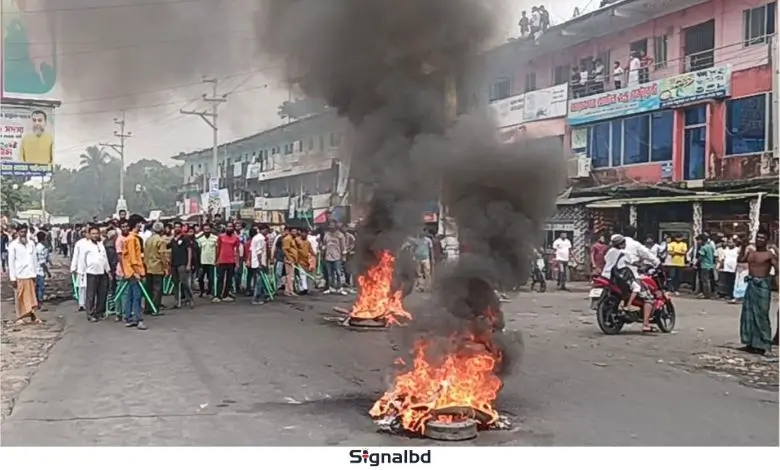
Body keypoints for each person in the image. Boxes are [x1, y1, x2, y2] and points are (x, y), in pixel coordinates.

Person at [738, 231, 778, 355]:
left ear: (766, 240)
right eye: (758, 237)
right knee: (748, 314)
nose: (759, 240)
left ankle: (762, 344)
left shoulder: (769, 255)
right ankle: (750, 343)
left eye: (762, 238)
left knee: (761, 315)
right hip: (751, 285)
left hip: (763, 286)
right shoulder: (751, 253)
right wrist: (743, 246)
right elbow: (741, 260)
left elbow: (778, 269)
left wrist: (776, 284)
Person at [622, 226, 661, 332]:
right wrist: (657, 263)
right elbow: (648, 255)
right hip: (630, 275)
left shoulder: (615, 244)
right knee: (648, 298)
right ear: (634, 234)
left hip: (614, 275)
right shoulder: (635, 244)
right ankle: (645, 324)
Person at [8, 225, 43, 325]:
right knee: (20, 297)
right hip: (19, 275)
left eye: (25, 232)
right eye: (21, 232)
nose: (23, 234)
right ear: (18, 232)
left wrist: (35, 273)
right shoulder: (13, 245)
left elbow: (34, 260)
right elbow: (11, 262)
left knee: (31, 298)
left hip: (30, 274)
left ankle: (33, 316)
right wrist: (12, 278)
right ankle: (19, 317)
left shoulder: (31, 244)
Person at [79, 226, 110, 323]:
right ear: (89, 234)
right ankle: (90, 314)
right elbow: (82, 260)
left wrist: (108, 270)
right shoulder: (86, 246)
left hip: (102, 271)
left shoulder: (101, 245)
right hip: (91, 272)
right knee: (91, 294)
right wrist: (81, 273)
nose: (95, 235)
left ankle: (99, 312)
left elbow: (105, 259)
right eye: (93, 233)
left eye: (96, 233)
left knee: (102, 293)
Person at [121, 215, 147, 330]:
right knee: (137, 296)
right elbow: (133, 258)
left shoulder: (131, 238)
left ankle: (129, 318)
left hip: (130, 271)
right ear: (137, 224)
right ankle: (138, 319)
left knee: (131, 295)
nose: (142, 226)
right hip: (133, 271)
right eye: (140, 223)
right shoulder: (132, 239)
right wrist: (137, 272)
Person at [144, 222, 169, 314]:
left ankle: (147, 307)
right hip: (157, 267)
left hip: (148, 266)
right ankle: (155, 309)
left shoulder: (148, 240)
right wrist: (166, 267)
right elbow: (162, 255)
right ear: (162, 230)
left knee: (149, 288)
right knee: (157, 289)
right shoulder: (161, 240)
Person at [168, 224, 194, 309]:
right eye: (175, 227)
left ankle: (190, 298)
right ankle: (177, 301)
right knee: (175, 283)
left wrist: (189, 264)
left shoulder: (185, 238)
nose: (177, 228)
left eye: (179, 227)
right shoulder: (173, 239)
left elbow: (189, 250)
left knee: (184, 282)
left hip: (183, 263)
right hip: (174, 264)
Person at [214, 221, 241, 302]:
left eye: (231, 227)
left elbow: (237, 251)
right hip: (221, 260)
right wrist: (216, 259)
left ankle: (226, 295)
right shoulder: (221, 237)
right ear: (225, 228)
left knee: (229, 279)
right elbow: (217, 249)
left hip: (231, 261)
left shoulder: (236, 238)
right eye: (228, 226)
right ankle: (218, 296)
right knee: (220, 279)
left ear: (233, 228)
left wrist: (237, 263)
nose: (229, 228)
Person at [322, 221, 347, 295]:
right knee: (330, 274)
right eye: (330, 225)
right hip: (328, 257)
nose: (331, 227)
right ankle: (331, 288)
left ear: (336, 226)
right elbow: (324, 245)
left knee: (339, 273)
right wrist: (323, 250)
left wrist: (344, 257)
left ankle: (340, 288)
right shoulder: (326, 235)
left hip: (337, 257)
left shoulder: (340, 235)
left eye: (333, 225)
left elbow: (343, 247)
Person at [251, 225, 270, 305]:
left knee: (260, 280)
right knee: (259, 281)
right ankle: (256, 298)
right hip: (259, 262)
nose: (267, 232)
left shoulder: (255, 237)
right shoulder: (261, 238)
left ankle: (262, 295)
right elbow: (259, 252)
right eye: (266, 230)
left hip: (256, 262)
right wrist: (260, 263)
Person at [70, 227, 89, 311]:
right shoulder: (79, 243)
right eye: (86, 232)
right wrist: (73, 267)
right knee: (82, 287)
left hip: (92, 269)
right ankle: (82, 304)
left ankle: (89, 303)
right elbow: (76, 255)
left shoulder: (96, 243)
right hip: (82, 268)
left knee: (90, 288)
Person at [197, 224, 217, 297]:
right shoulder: (200, 239)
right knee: (200, 278)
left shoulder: (215, 238)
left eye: (208, 229)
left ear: (210, 230)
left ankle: (209, 291)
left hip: (212, 261)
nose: (206, 231)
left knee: (211, 278)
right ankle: (202, 291)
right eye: (205, 229)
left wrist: (216, 260)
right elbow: (198, 250)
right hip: (202, 262)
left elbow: (217, 250)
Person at [34, 230, 50, 309]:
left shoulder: (36, 247)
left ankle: (36, 301)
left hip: (35, 270)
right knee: (41, 287)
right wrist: (48, 272)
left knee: (37, 287)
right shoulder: (41, 248)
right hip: (39, 270)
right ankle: (39, 302)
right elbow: (42, 263)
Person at [296, 228, 315, 295]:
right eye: (302, 233)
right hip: (299, 260)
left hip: (306, 261)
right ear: (300, 233)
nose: (304, 234)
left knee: (305, 275)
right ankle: (303, 289)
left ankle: (305, 288)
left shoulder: (308, 242)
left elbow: (311, 250)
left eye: (305, 233)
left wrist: (314, 256)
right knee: (302, 275)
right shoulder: (297, 241)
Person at [696, 234, 715, 299]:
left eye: (698, 240)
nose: (697, 242)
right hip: (710, 265)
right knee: (708, 280)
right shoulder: (710, 246)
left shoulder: (703, 247)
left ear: (701, 240)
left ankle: (706, 294)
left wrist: (696, 264)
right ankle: (708, 294)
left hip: (704, 265)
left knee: (704, 280)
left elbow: (701, 257)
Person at [282, 226, 299, 296]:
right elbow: (285, 249)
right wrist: (289, 259)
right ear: (290, 232)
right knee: (290, 276)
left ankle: (287, 290)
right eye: (293, 231)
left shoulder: (292, 239)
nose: (295, 233)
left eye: (295, 231)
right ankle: (290, 290)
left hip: (292, 259)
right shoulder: (287, 239)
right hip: (289, 260)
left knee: (290, 276)